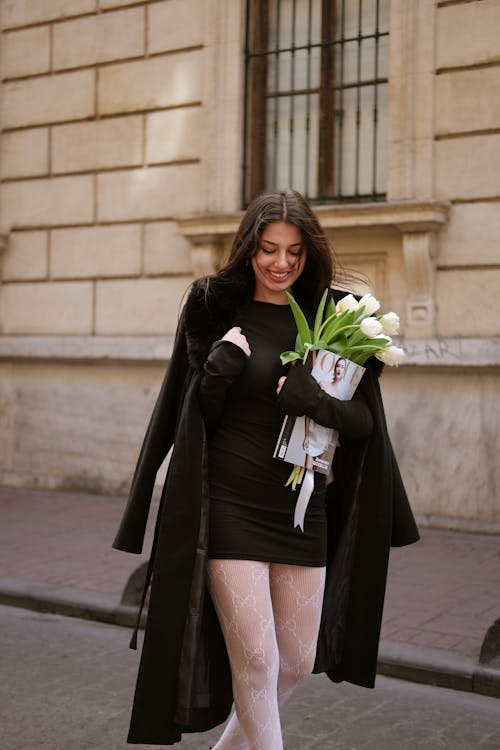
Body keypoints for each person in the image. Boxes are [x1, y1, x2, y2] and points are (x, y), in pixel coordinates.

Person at [113, 190, 419, 748]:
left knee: (296, 662)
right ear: (249, 249)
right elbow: (192, 416)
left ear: (309, 254)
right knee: (256, 661)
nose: (281, 263)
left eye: (295, 253)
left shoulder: (338, 315)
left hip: (302, 510)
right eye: (268, 250)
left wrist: (315, 401)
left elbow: (362, 424)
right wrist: (217, 373)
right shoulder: (213, 307)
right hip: (230, 504)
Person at [301, 354, 347, 470]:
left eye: (342, 367)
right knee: (308, 467)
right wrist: (307, 435)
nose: (339, 369)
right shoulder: (323, 384)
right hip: (313, 430)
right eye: (338, 366)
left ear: (344, 371)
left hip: (324, 436)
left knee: (316, 470)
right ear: (335, 368)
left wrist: (328, 441)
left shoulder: (342, 396)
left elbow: (334, 423)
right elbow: (310, 409)